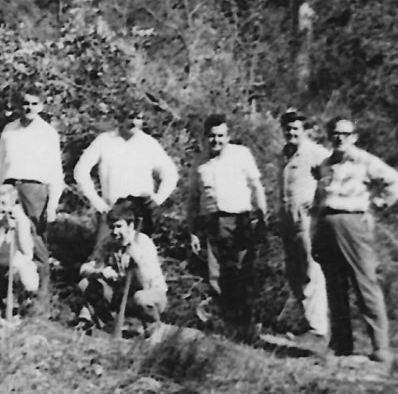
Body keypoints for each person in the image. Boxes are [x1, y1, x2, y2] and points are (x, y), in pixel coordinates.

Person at [311, 116, 398, 366]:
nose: (339, 138)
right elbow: (318, 200)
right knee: (335, 287)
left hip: (353, 222)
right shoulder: (325, 164)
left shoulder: (364, 161)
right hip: (326, 223)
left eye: (345, 134)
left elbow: (397, 183)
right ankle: (342, 344)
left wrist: (376, 205)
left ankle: (380, 347)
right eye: (335, 133)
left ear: (354, 137)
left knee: (365, 283)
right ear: (329, 136)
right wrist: (315, 232)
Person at [187, 114, 268, 339]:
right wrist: (192, 231)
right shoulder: (199, 162)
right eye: (212, 136)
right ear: (205, 137)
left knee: (242, 273)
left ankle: (247, 326)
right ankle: (226, 324)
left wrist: (262, 216)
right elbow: (193, 199)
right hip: (211, 222)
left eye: (220, 136)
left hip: (239, 221)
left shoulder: (241, 154)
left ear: (228, 136)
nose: (216, 140)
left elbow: (256, 186)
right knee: (216, 275)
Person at [0, 86, 65, 309]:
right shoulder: (9, 130)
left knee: (34, 239)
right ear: (19, 105)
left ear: (41, 106)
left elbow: (56, 171)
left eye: (34, 104)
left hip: (35, 190)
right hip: (9, 187)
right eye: (25, 103)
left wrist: (52, 204)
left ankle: (40, 297)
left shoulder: (48, 133)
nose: (29, 108)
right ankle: (5, 294)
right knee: (6, 233)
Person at [73, 106, 179, 258]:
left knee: (140, 259)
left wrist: (158, 198)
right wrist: (98, 203)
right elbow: (81, 171)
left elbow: (170, 173)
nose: (134, 122)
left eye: (138, 118)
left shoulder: (149, 143)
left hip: (140, 214)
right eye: (130, 117)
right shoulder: (105, 141)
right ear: (120, 118)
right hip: (112, 212)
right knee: (103, 258)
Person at [77, 199, 168, 333]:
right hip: (121, 294)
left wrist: (136, 261)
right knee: (85, 284)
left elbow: (145, 284)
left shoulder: (143, 243)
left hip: (150, 294)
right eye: (112, 227)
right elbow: (84, 269)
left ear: (130, 226)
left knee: (141, 298)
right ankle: (108, 326)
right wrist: (100, 272)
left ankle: (153, 330)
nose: (114, 231)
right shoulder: (109, 243)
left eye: (119, 226)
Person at [278, 110, 330, 342]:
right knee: (294, 272)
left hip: (308, 221)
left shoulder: (315, 153)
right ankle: (307, 324)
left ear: (304, 130)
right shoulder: (285, 154)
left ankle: (317, 330)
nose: (291, 132)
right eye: (287, 128)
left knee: (311, 272)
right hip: (288, 220)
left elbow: (333, 175)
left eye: (296, 128)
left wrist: (319, 202)